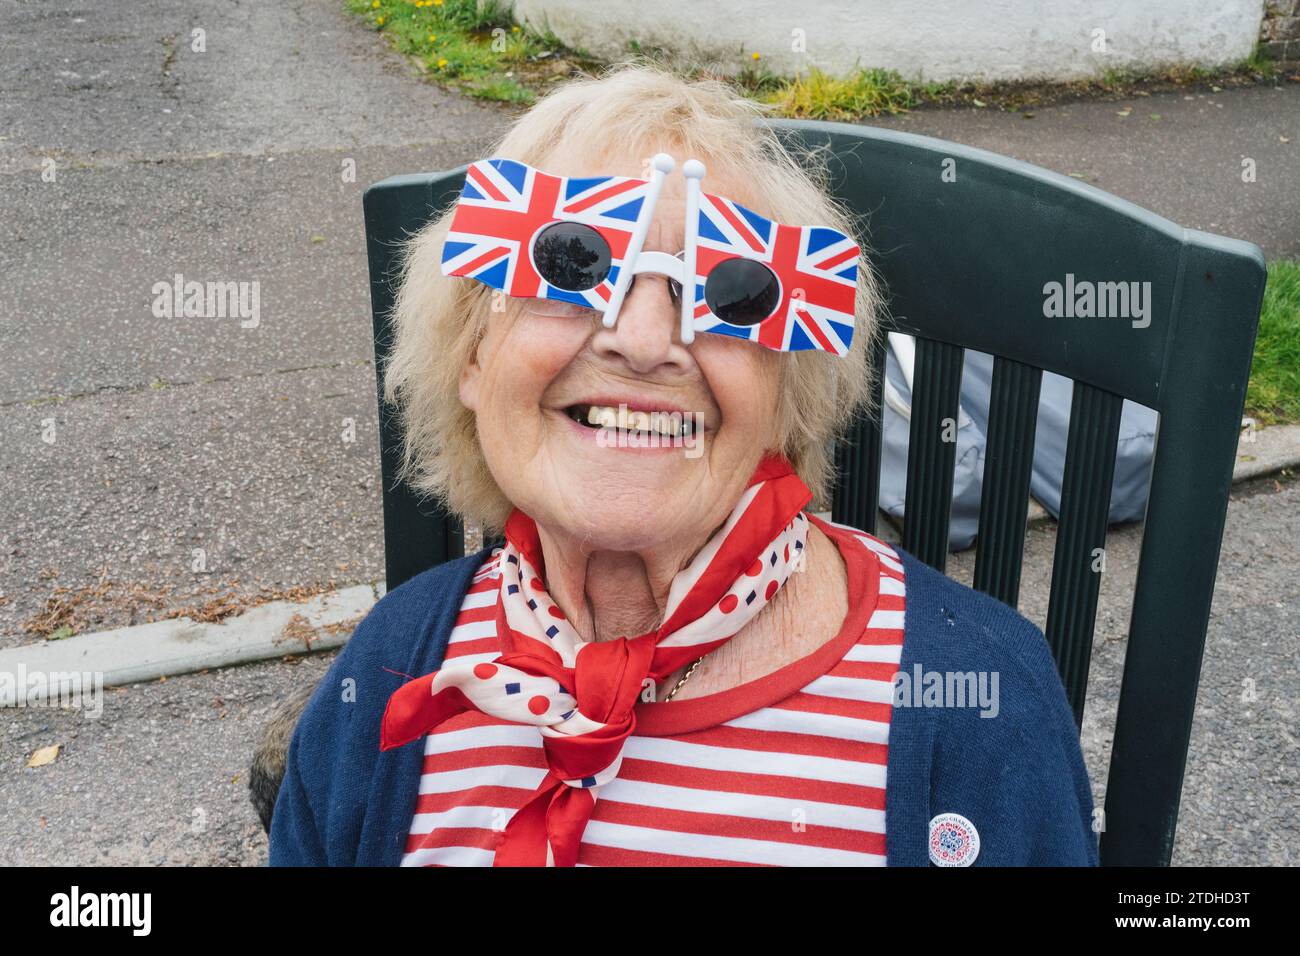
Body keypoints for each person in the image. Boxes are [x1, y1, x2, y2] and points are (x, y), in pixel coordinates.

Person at [268, 63, 1098, 867]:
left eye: (731, 294)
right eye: (570, 267)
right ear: (473, 359)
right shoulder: (390, 671)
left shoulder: (979, 702)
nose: (642, 341)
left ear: (789, 394)